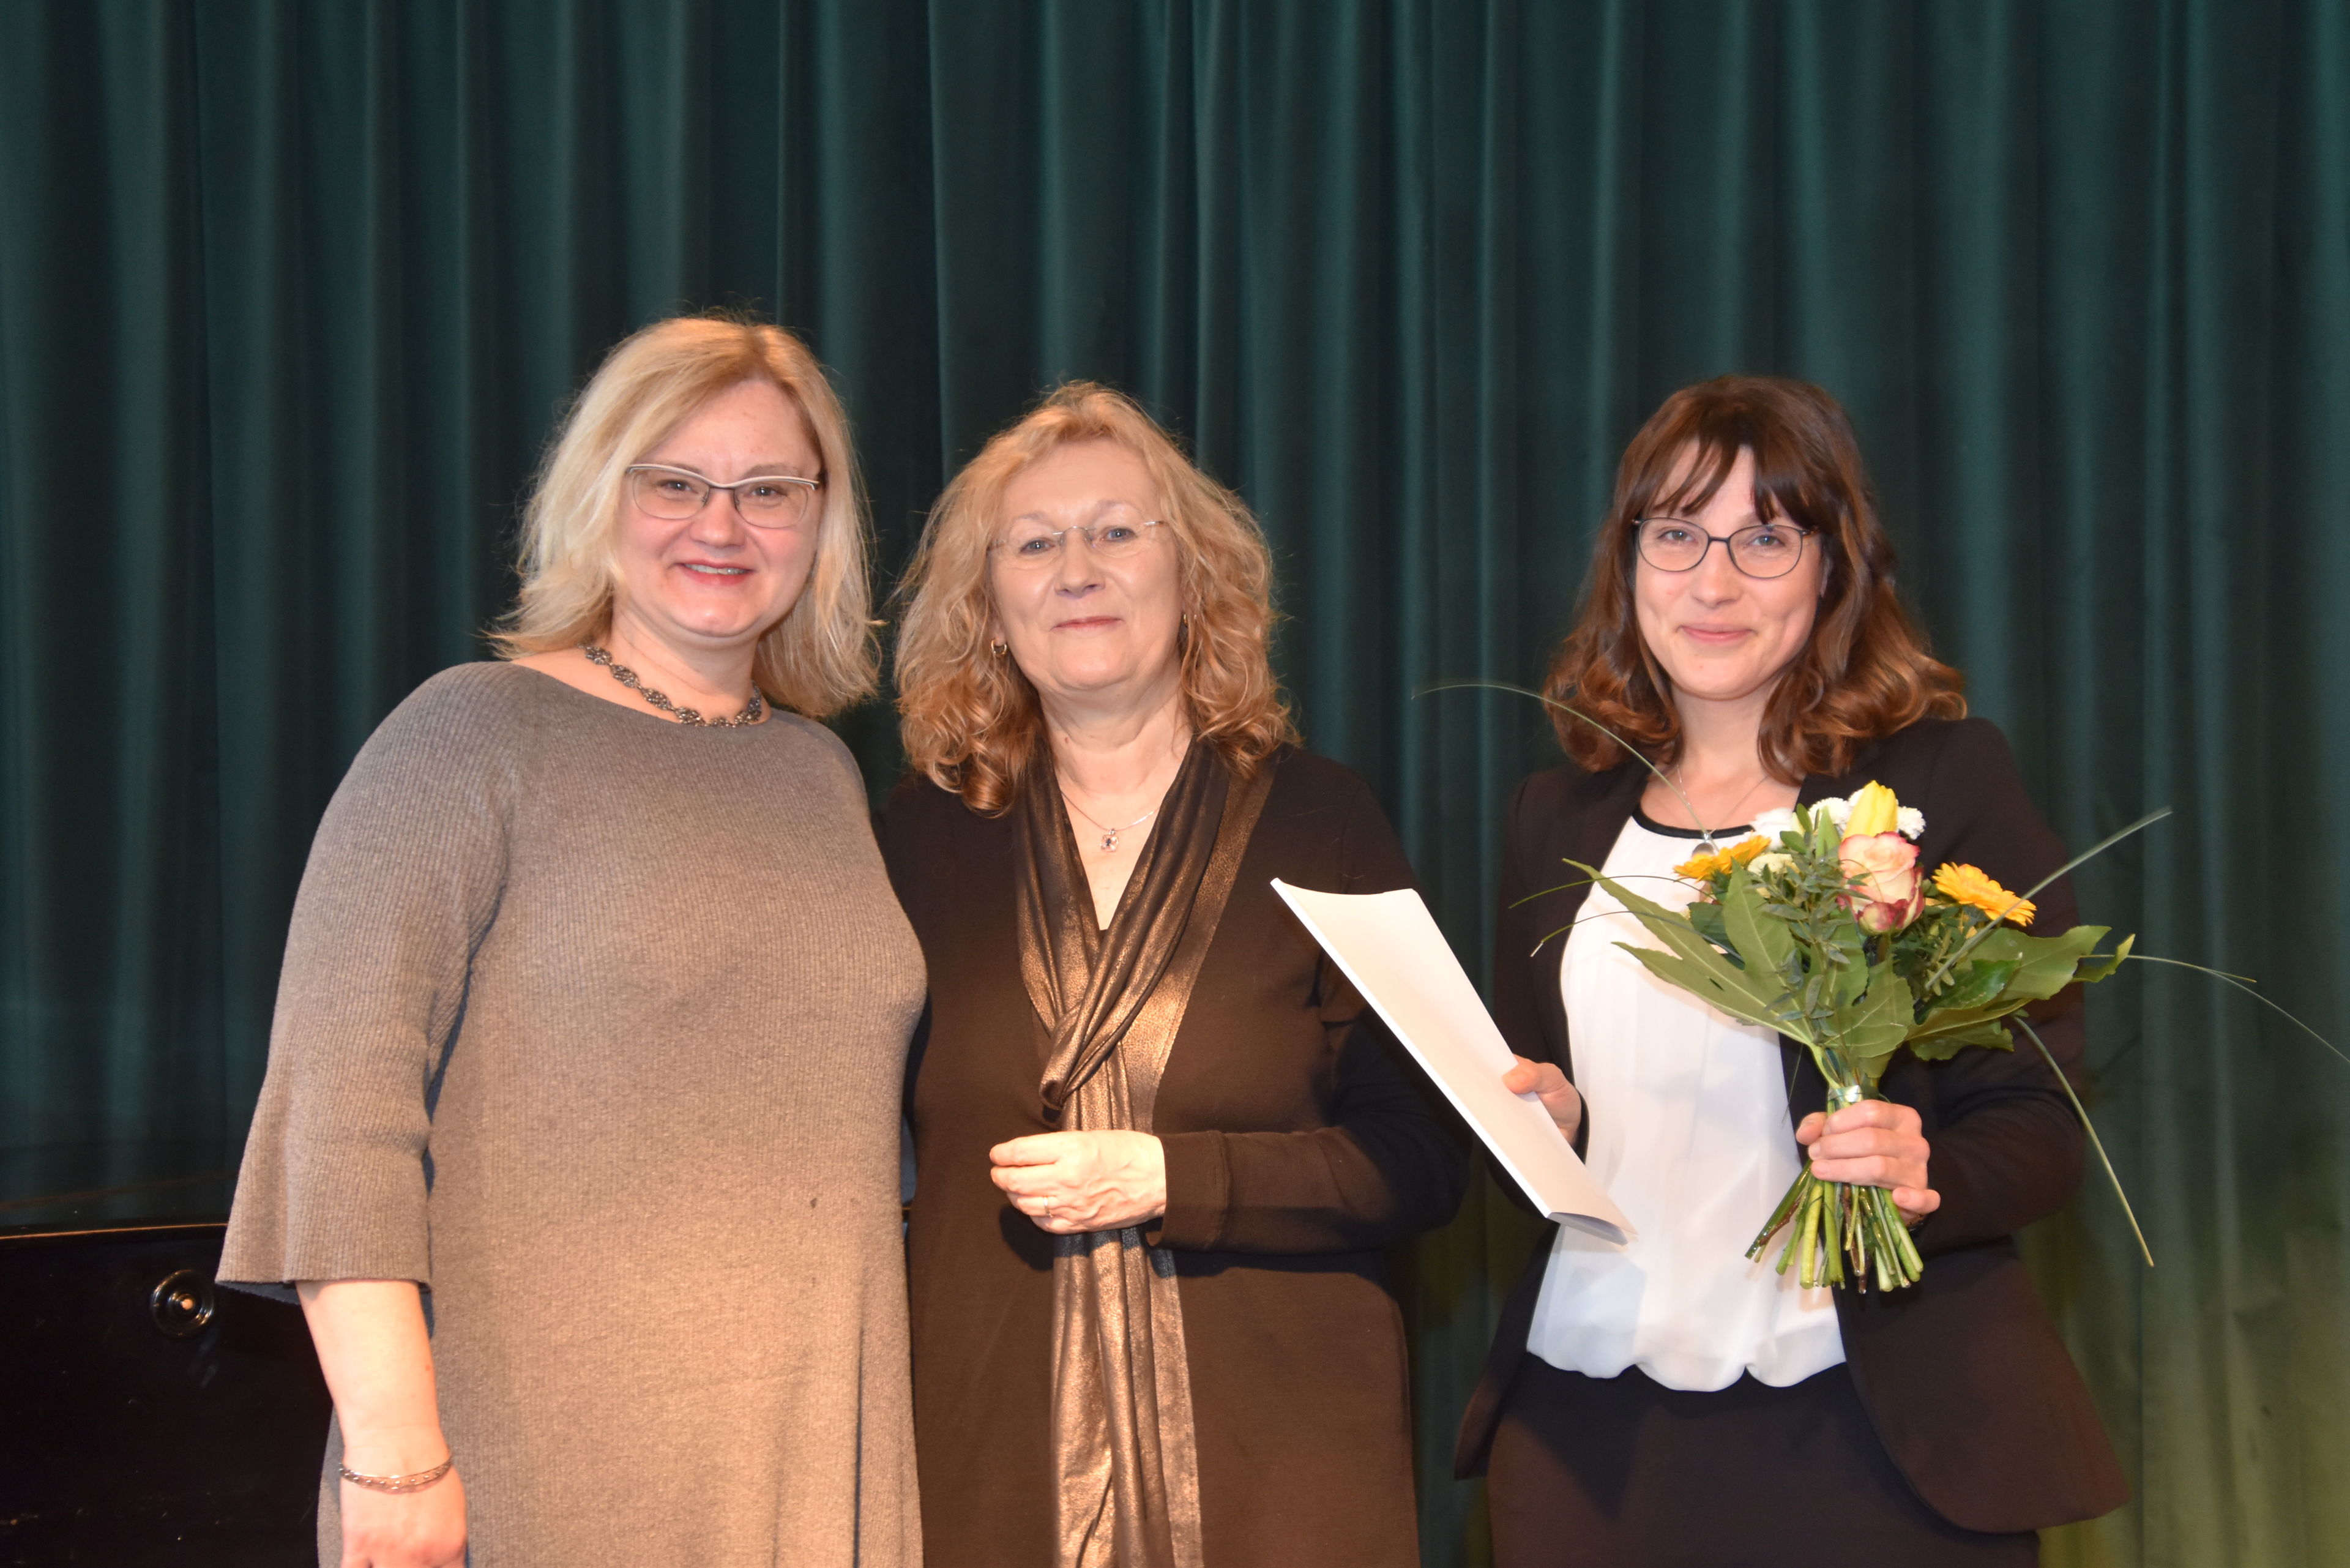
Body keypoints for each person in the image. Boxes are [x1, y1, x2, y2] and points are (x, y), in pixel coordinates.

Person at [218, 316, 926, 1568]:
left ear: (822, 523)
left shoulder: (818, 772)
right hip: (530, 1468)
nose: (722, 525)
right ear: (601, 498)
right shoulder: (467, 736)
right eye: (675, 482)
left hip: (810, 1465)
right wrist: (397, 1458)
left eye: (769, 489)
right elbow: (339, 1115)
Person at [1458, 376, 2128, 1565]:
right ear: (1629, 564)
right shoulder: (1553, 814)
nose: (1712, 584)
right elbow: (1547, 1095)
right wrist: (1545, 1121)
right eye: (1676, 536)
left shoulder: (1945, 781)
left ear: (1835, 568)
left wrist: (1929, 1171)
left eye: (1764, 539)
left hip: (1870, 1435)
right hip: (1585, 1434)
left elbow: (2038, 1123)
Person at [882, 383, 1469, 1568]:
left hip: (1288, 1484)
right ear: (988, 606)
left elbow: (1426, 1158)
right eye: (1035, 543)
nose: (1076, 569)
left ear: (1191, 574)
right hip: (992, 1482)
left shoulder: (1322, 819)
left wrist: (1170, 1176)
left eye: (1115, 531)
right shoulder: (916, 843)